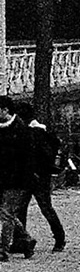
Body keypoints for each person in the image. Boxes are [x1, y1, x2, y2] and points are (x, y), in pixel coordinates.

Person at [17, 103, 66, 252]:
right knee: (29, 208)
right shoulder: (39, 131)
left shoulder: (35, 133)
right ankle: (22, 240)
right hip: (35, 176)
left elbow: (42, 156)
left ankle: (59, 237)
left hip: (37, 176)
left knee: (40, 208)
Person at [0, 97, 37, 260]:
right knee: (7, 213)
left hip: (17, 179)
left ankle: (3, 249)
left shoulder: (21, 129)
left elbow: (27, 158)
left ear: (5, 110)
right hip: (3, 177)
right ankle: (27, 240)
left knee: (7, 213)